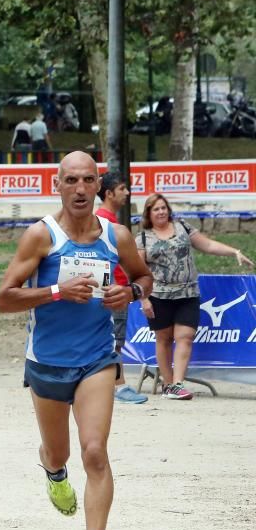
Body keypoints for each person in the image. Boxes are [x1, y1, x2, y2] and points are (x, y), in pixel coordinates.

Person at [0, 151, 154, 530]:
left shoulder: (116, 235)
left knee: (95, 451)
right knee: (60, 453)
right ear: (58, 184)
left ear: (97, 185)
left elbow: (143, 276)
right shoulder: (40, 236)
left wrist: (132, 291)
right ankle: (53, 471)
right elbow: (4, 299)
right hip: (47, 361)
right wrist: (54, 291)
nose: (80, 189)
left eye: (88, 180)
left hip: (97, 358)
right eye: (72, 180)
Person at [137, 193, 254, 400]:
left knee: (185, 337)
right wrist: (143, 299)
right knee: (163, 339)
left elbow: (207, 245)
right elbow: (138, 270)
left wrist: (233, 251)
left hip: (188, 293)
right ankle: (168, 383)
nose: (161, 212)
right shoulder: (143, 238)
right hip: (158, 296)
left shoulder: (183, 227)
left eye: (164, 207)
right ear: (148, 213)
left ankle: (178, 383)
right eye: (156, 209)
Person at [96, 172, 148, 404]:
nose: (127, 193)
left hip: (115, 289)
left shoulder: (106, 221)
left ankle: (116, 384)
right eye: (122, 188)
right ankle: (118, 386)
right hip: (113, 291)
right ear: (108, 193)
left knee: (114, 340)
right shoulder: (106, 223)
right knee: (114, 340)